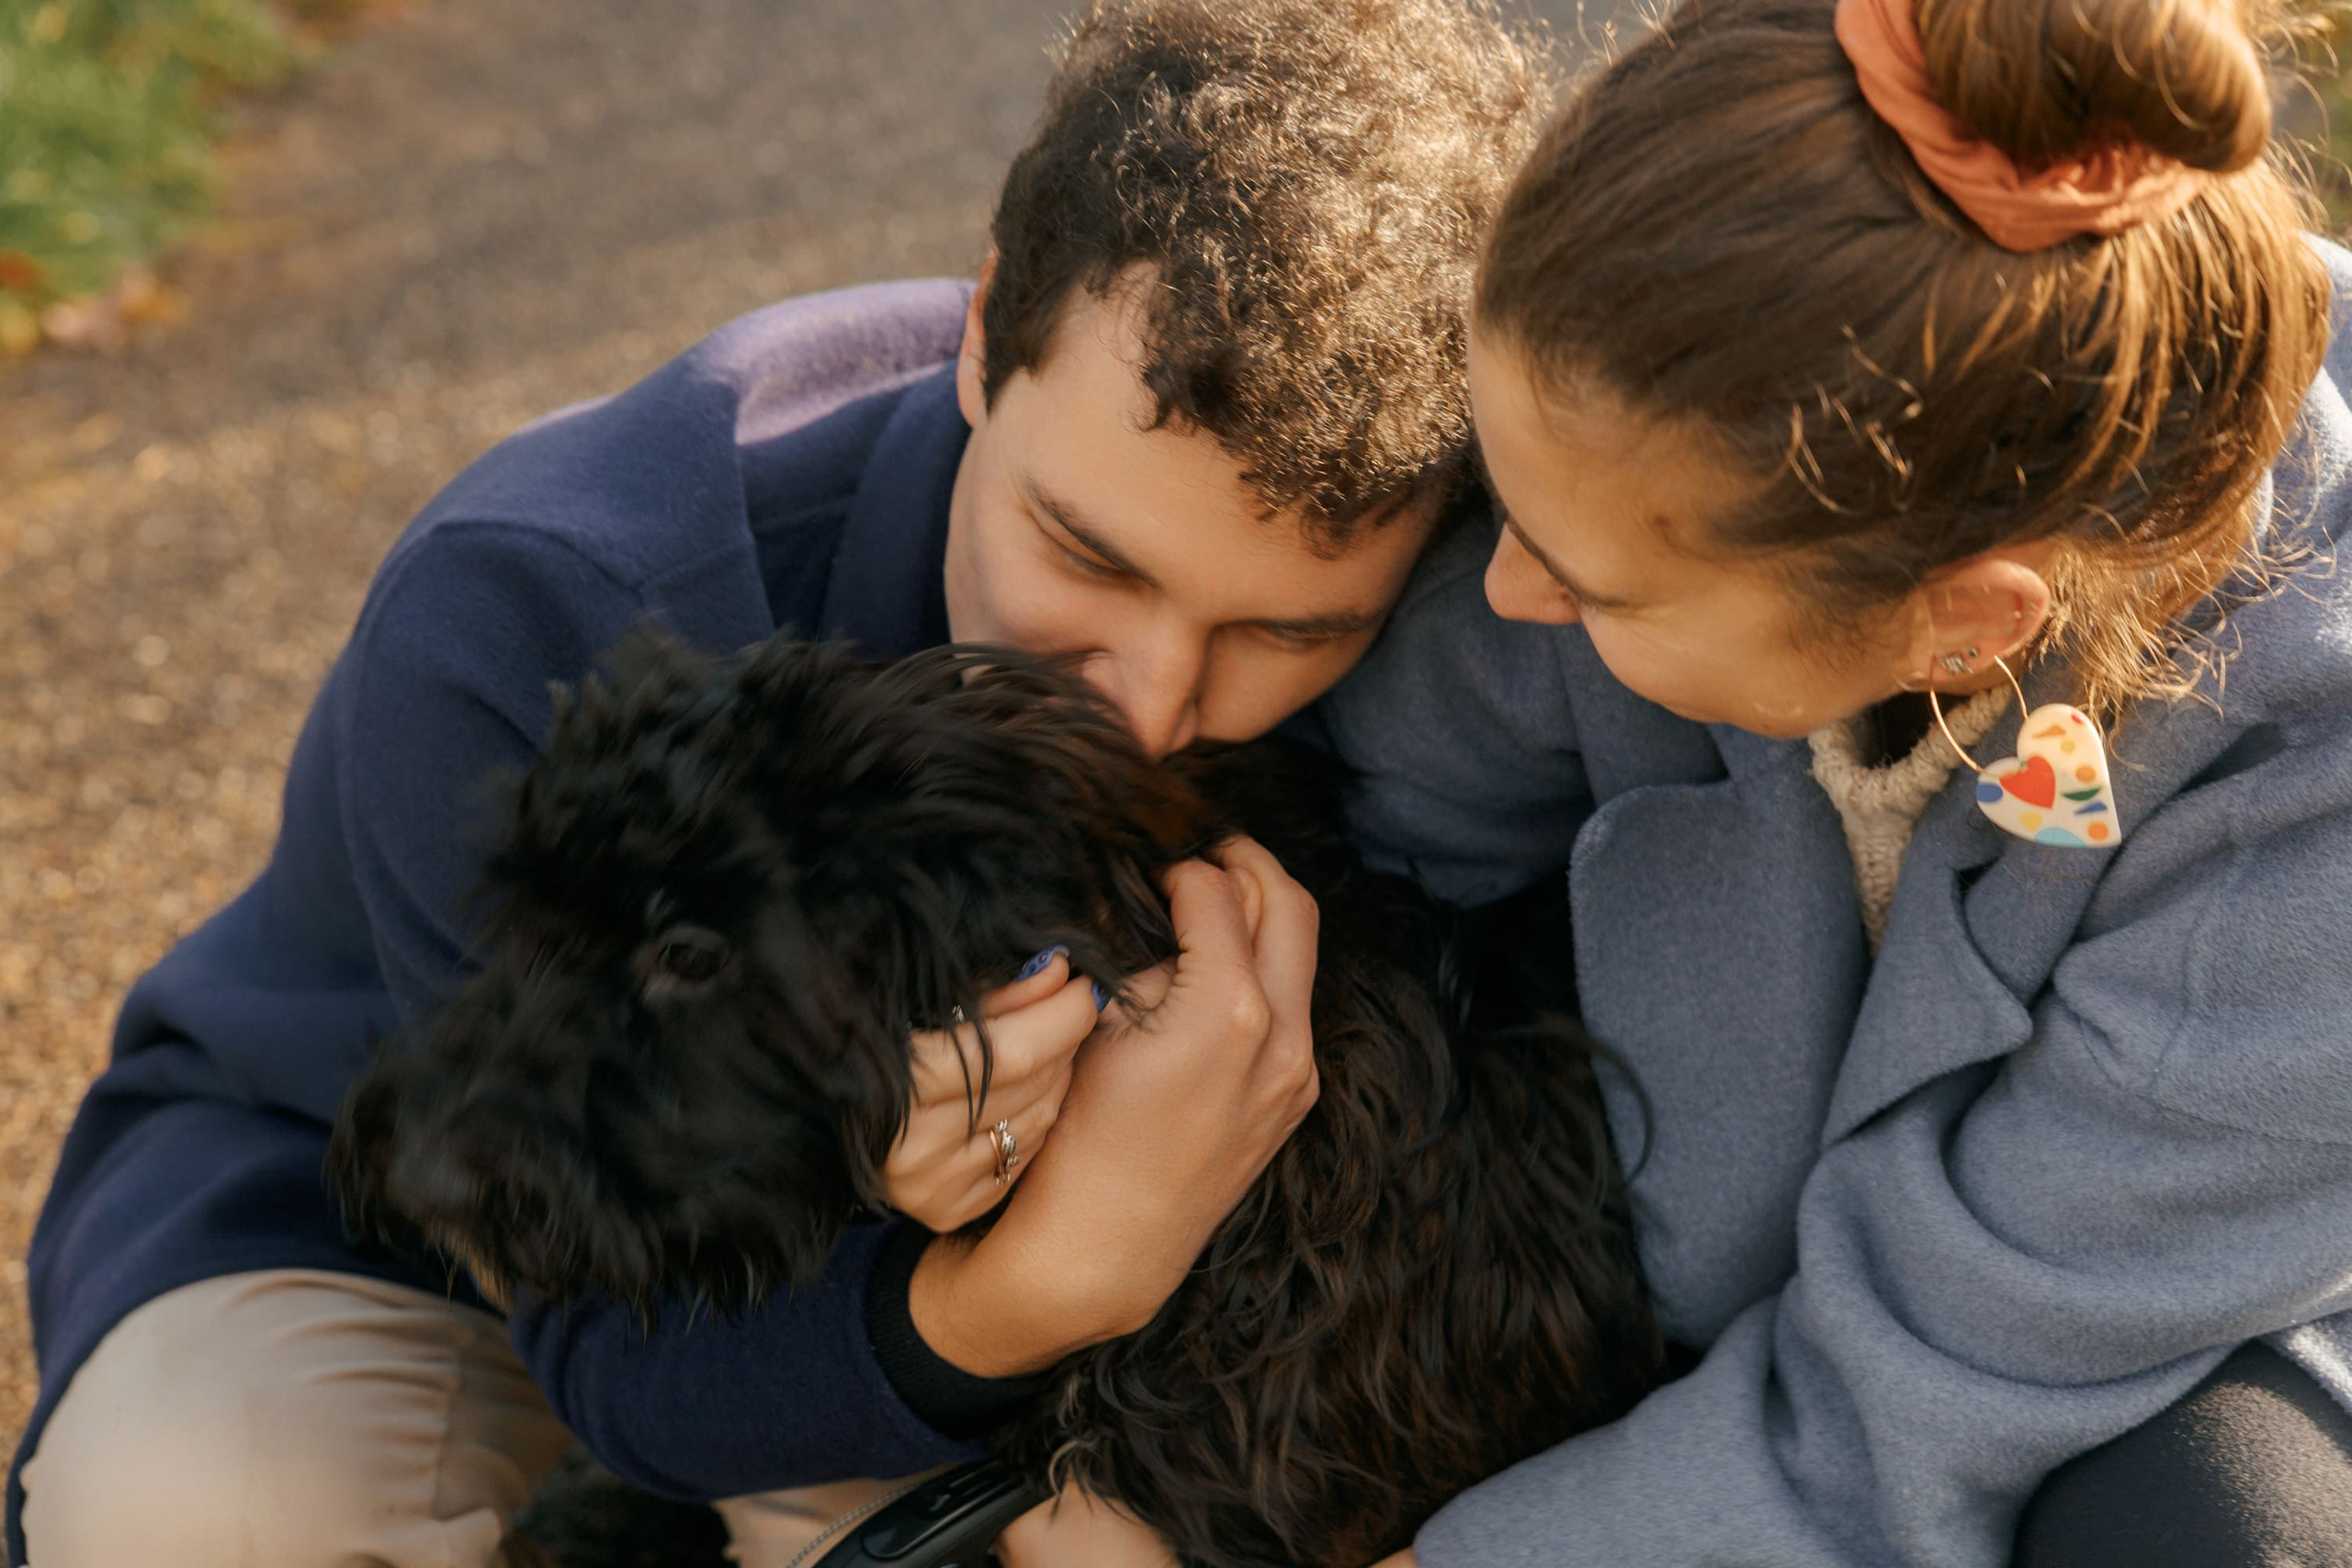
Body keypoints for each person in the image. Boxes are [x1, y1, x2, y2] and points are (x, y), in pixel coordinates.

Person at [5, 5, 1547, 1564]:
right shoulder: (539, 609)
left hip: (908, 1300)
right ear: (983, 328)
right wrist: (1030, 1284)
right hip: (428, 1200)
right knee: (198, 1514)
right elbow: (607, 1340)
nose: (1149, 706)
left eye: (1288, 633)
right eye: (1083, 553)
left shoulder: (1485, 609)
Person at [1313, 0, 2352, 1562]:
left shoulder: (2308, 811)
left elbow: (1946, 1376)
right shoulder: (1668, 424)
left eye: (1594, 588)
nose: (1503, 589)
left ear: (1960, 624)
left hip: (2173, 1291)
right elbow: (1379, 793)